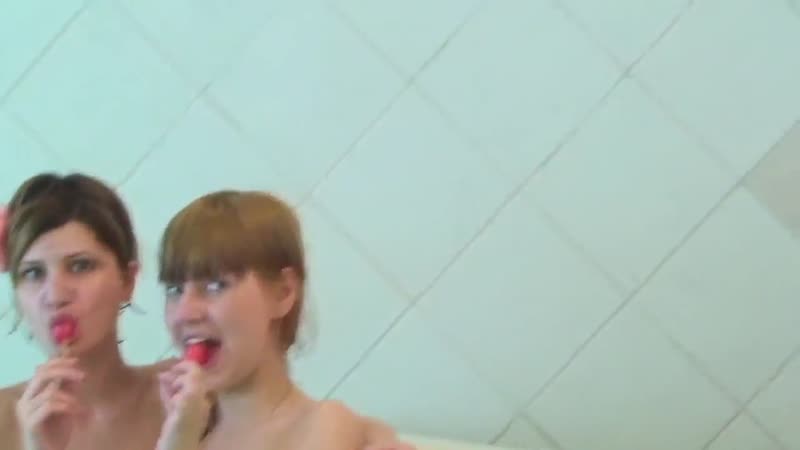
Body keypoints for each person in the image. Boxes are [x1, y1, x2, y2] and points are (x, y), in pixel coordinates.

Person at [0, 173, 409, 450]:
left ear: (129, 278)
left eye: (81, 266)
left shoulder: (187, 400)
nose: (55, 294)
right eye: (32, 273)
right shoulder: (193, 409)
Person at [153, 190, 411, 450]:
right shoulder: (176, 430)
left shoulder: (329, 430)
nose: (184, 313)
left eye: (215, 285)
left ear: (283, 293)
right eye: (174, 290)